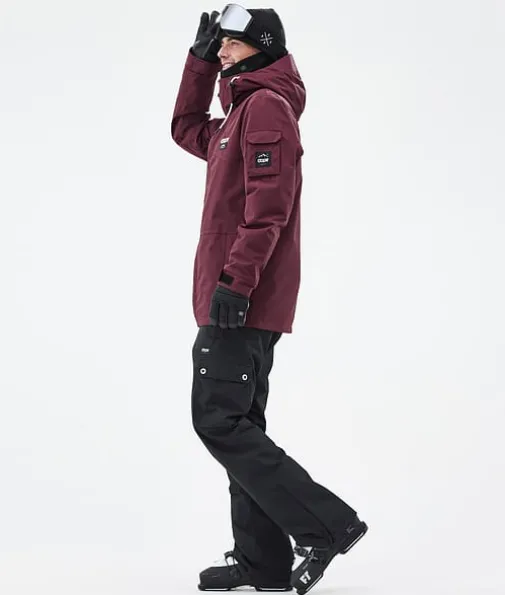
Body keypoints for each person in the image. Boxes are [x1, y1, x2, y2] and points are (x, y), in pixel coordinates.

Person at [171, 5, 368, 594]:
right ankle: (263, 563)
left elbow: (269, 210)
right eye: (219, 45)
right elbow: (185, 127)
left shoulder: (266, 108)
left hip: (241, 297)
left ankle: (327, 526)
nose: (222, 52)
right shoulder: (236, 116)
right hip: (233, 295)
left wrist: (236, 283)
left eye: (230, 44)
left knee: (218, 421)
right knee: (240, 424)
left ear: (261, 45)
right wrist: (197, 64)